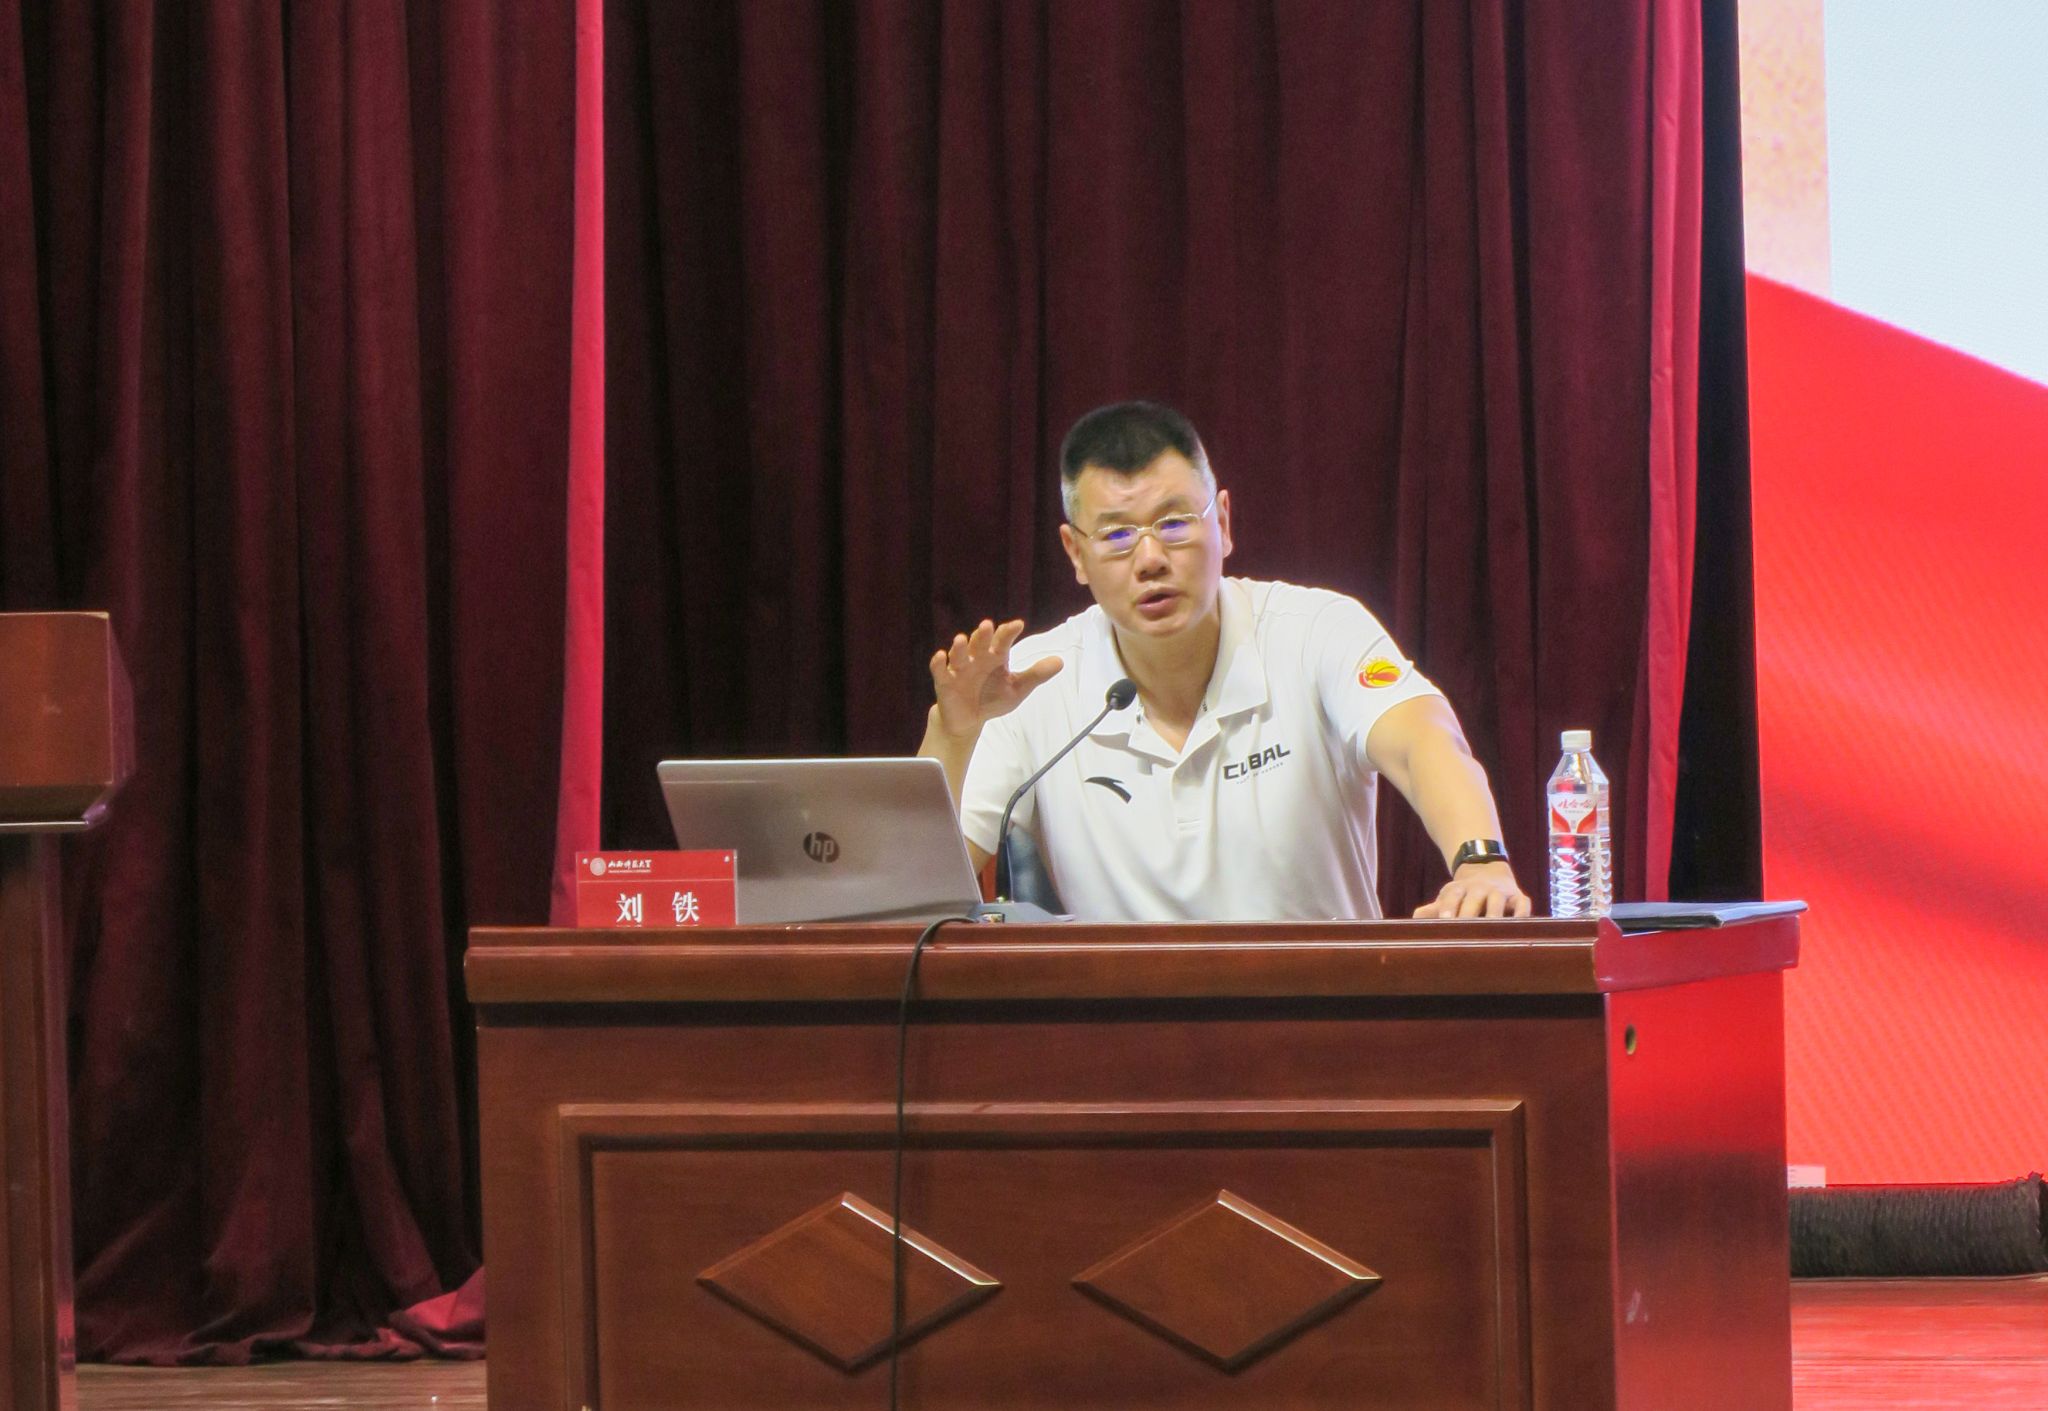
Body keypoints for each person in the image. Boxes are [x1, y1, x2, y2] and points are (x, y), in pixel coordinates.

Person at [918, 401, 1531, 922]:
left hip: (1323, 1013)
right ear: (1075, 553)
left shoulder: (1314, 631)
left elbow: (1423, 741)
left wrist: (1480, 862)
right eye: (1117, 535)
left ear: (1225, 523)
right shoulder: (1035, 679)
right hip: (1124, 1023)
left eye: (1174, 523)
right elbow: (911, 902)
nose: (1150, 559)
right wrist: (954, 735)